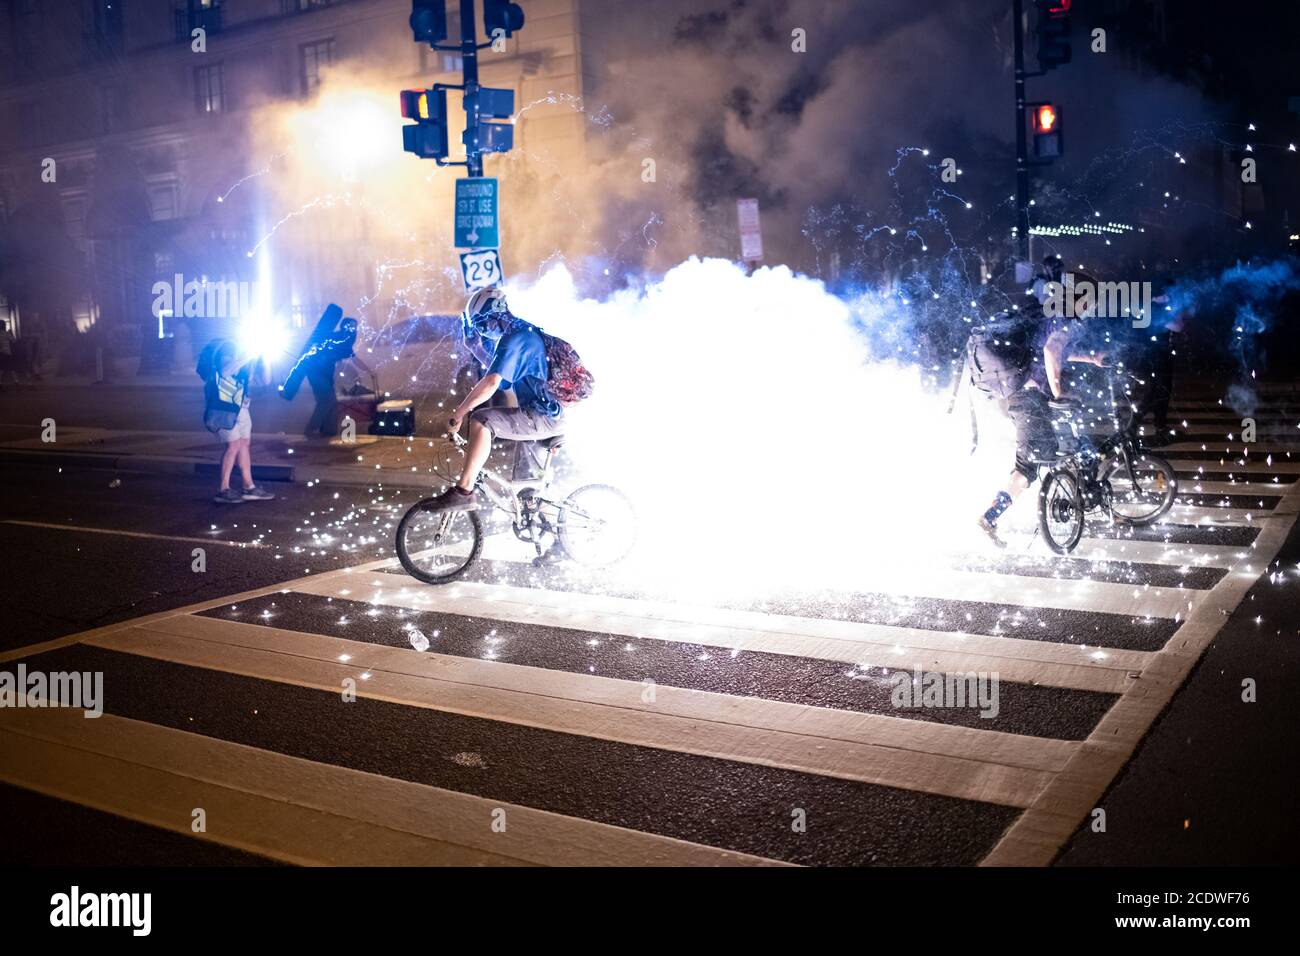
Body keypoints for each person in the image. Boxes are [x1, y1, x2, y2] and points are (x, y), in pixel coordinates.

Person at [974, 273, 1106, 548]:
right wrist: (1059, 392)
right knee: (1030, 463)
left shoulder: (1052, 318)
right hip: (1027, 396)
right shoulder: (1066, 321)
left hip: (1019, 394)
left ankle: (1058, 487)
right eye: (1091, 300)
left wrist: (1090, 359)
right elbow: (1050, 351)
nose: (1093, 306)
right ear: (1079, 299)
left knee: (1055, 449)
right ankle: (990, 516)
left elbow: (1054, 351)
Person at [423, 287, 566, 512]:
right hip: (544, 413)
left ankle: (464, 491)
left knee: (482, 420)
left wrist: (460, 413)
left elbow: (491, 383)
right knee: (527, 488)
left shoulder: (515, 338)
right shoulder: (520, 332)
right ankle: (544, 524)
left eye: (481, 323)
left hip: (543, 415)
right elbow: (501, 373)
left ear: (495, 314)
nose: (481, 330)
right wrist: (475, 347)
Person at [199, 339, 276, 505]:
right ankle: (223, 490)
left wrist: (267, 358)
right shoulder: (228, 349)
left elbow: (266, 381)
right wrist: (250, 354)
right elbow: (225, 371)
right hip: (223, 409)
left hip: (242, 409)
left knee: (244, 444)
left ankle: (249, 487)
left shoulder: (249, 358)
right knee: (233, 445)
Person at [281, 306, 374, 439]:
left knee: (330, 400)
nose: (354, 330)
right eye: (351, 327)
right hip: (316, 371)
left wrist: (369, 371)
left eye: (355, 327)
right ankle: (311, 429)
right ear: (344, 327)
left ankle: (328, 431)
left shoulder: (344, 341)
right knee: (326, 400)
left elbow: (354, 359)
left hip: (324, 373)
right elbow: (353, 360)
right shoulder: (338, 338)